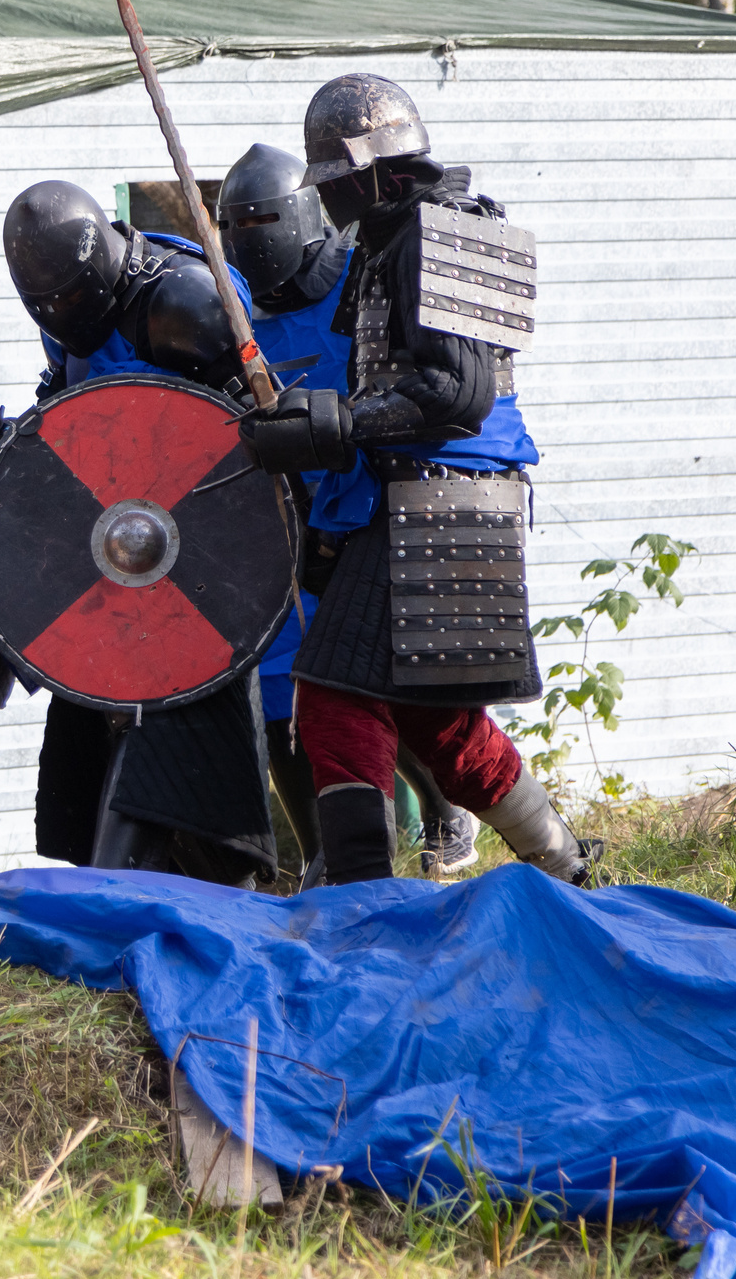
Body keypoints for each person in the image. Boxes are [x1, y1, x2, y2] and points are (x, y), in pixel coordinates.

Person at [235, 73, 593, 886]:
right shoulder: (394, 236)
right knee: (440, 726)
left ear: (377, 169)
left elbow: (459, 392)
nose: (330, 198)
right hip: (420, 495)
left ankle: (360, 894)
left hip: (443, 496)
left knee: (332, 698)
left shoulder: (437, 233)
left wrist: (340, 422)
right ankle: (569, 868)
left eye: (339, 180)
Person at [0, 178, 275, 884]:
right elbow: (67, 405)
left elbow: (253, 439)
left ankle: (153, 886)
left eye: (70, 297)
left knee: (189, 737)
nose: (62, 313)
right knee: (97, 723)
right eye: (49, 305)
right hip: (111, 556)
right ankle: (107, 884)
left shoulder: (187, 303)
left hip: (196, 565)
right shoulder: (66, 319)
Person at [216, 145, 480, 879]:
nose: (251, 235)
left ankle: (446, 811)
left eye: (263, 219)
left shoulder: (367, 268)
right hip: (291, 511)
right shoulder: (233, 306)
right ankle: (324, 854)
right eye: (238, 224)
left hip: (379, 494)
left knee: (383, 680)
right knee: (284, 686)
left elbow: (430, 387)